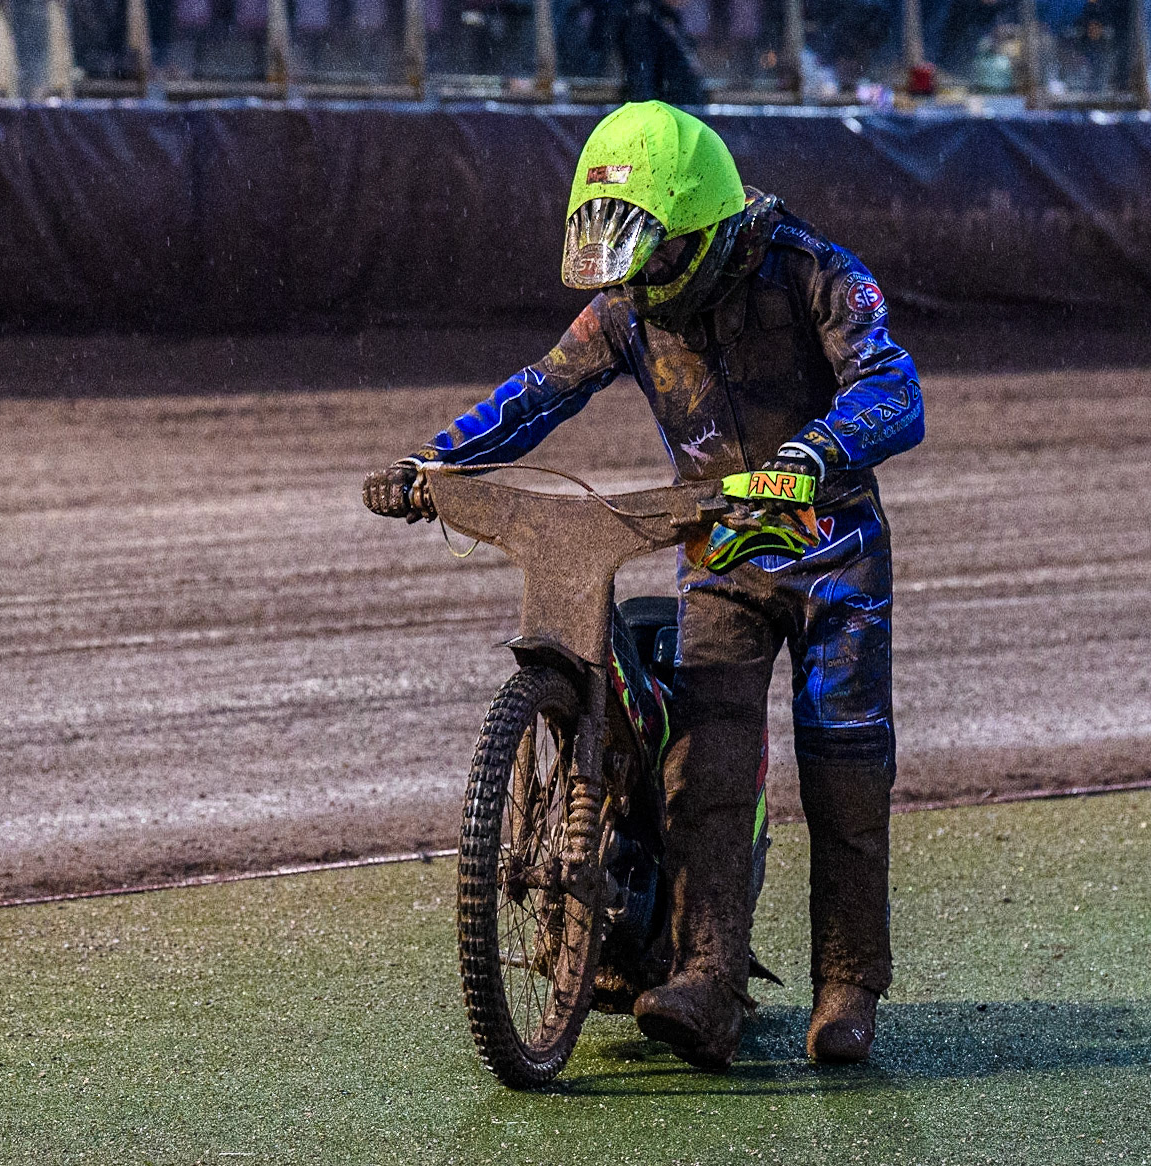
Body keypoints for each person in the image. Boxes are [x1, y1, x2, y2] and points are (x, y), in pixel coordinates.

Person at [363, 101, 923, 1071]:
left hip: (837, 562)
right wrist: (432, 464)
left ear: (702, 232)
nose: (639, 282)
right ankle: (705, 978)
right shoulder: (625, 303)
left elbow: (892, 388)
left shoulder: (817, 272)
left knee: (843, 772)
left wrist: (810, 452)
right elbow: (540, 388)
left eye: (656, 258)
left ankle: (846, 984)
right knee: (702, 766)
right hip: (717, 557)